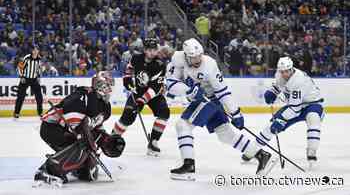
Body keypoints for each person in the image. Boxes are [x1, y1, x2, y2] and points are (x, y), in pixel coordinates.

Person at [166, 38, 276, 180]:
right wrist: (188, 91)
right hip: (199, 99)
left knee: (182, 125)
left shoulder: (209, 65)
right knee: (225, 134)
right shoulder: (177, 59)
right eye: (194, 57)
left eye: (200, 55)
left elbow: (222, 91)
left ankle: (188, 166)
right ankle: (261, 155)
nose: (198, 59)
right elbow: (170, 83)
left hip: (209, 100)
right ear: (186, 56)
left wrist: (236, 113)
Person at [33, 71, 125, 186]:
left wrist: (106, 140)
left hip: (70, 131)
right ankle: (49, 170)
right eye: (108, 86)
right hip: (52, 128)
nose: (110, 89)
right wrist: (87, 139)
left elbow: (96, 129)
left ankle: (80, 168)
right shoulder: (84, 96)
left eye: (111, 86)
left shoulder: (106, 107)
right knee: (83, 143)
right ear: (100, 85)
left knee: (86, 154)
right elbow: (74, 124)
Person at [246, 57, 324, 169]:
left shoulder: (298, 80)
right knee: (271, 127)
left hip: (312, 104)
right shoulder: (279, 74)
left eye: (287, 71)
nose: (284, 74)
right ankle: (252, 151)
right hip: (294, 105)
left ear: (291, 69)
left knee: (313, 119)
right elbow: (277, 86)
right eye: (282, 72)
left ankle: (311, 152)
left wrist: (281, 120)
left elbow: (295, 109)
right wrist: (271, 92)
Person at [112, 38, 170, 157]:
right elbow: (129, 68)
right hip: (138, 91)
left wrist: (142, 100)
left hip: (154, 94)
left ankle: (153, 141)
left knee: (164, 112)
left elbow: (155, 87)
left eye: (154, 50)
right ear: (145, 50)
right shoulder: (136, 58)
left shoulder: (160, 65)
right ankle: (112, 138)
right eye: (150, 50)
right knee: (127, 117)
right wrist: (127, 79)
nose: (152, 53)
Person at [14, 45, 43, 118]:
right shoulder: (27, 58)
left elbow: (39, 68)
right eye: (34, 50)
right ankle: (16, 113)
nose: (36, 51)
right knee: (20, 96)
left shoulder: (39, 59)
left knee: (39, 97)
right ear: (32, 51)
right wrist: (21, 77)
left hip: (34, 79)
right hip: (25, 79)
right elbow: (20, 67)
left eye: (37, 50)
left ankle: (40, 113)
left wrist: (38, 76)